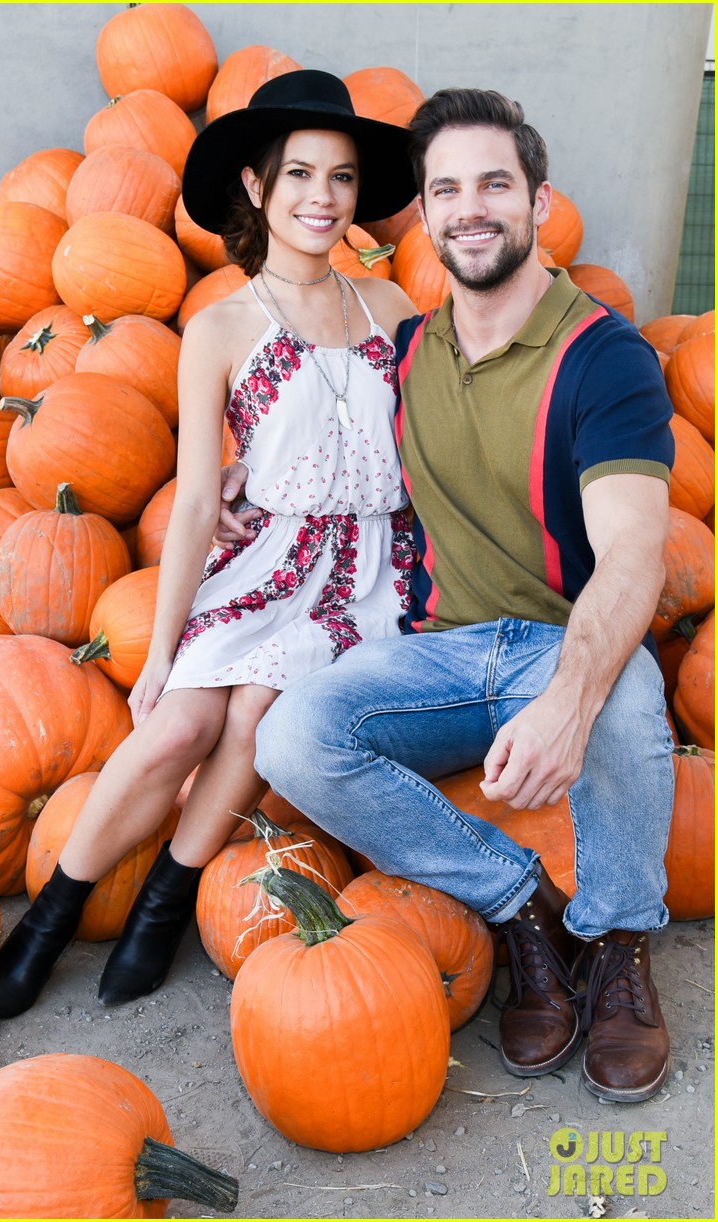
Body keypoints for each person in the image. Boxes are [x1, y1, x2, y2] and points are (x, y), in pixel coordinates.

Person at [250, 88, 676, 1104]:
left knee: (625, 705)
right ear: (425, 215)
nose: (469, 207)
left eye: (494, 184)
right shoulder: (407, 351)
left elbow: (633, 554)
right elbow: (312, 433)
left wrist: (567, 701)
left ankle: (615, 942)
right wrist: (239, 481)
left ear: (538, 201)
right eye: (445, 190)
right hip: (441, 651)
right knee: (291, 739)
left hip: (564, 638)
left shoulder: (604, 356)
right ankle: (521, 905)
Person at [0, 70, 419, 1021]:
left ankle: (164, 903)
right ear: (256, 187)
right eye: (299, 174)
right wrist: (162, 649)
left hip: (366, 574)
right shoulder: (219, 326)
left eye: (341, 177)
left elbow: (431, 442)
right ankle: (49, 919)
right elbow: (188, 504)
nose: (322, 197)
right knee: (178, 725)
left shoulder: (391, 311)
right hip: (262, 562)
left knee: (255, 713)